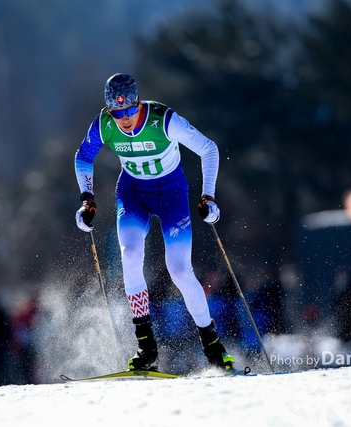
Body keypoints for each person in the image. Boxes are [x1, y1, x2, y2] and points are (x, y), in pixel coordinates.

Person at [74, 73, 237, 372]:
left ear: (138, 103)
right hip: (133, 193)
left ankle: (213, 346)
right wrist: (87, 200)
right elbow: (83, 157)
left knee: (179, 271)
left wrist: (208, 196)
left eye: (129, 110)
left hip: (172, 193)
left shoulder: (164, 119)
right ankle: (146, 347)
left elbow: (209, 148)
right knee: (130, 255)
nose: (124, 119)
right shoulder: (104, 125)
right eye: (117, 113)